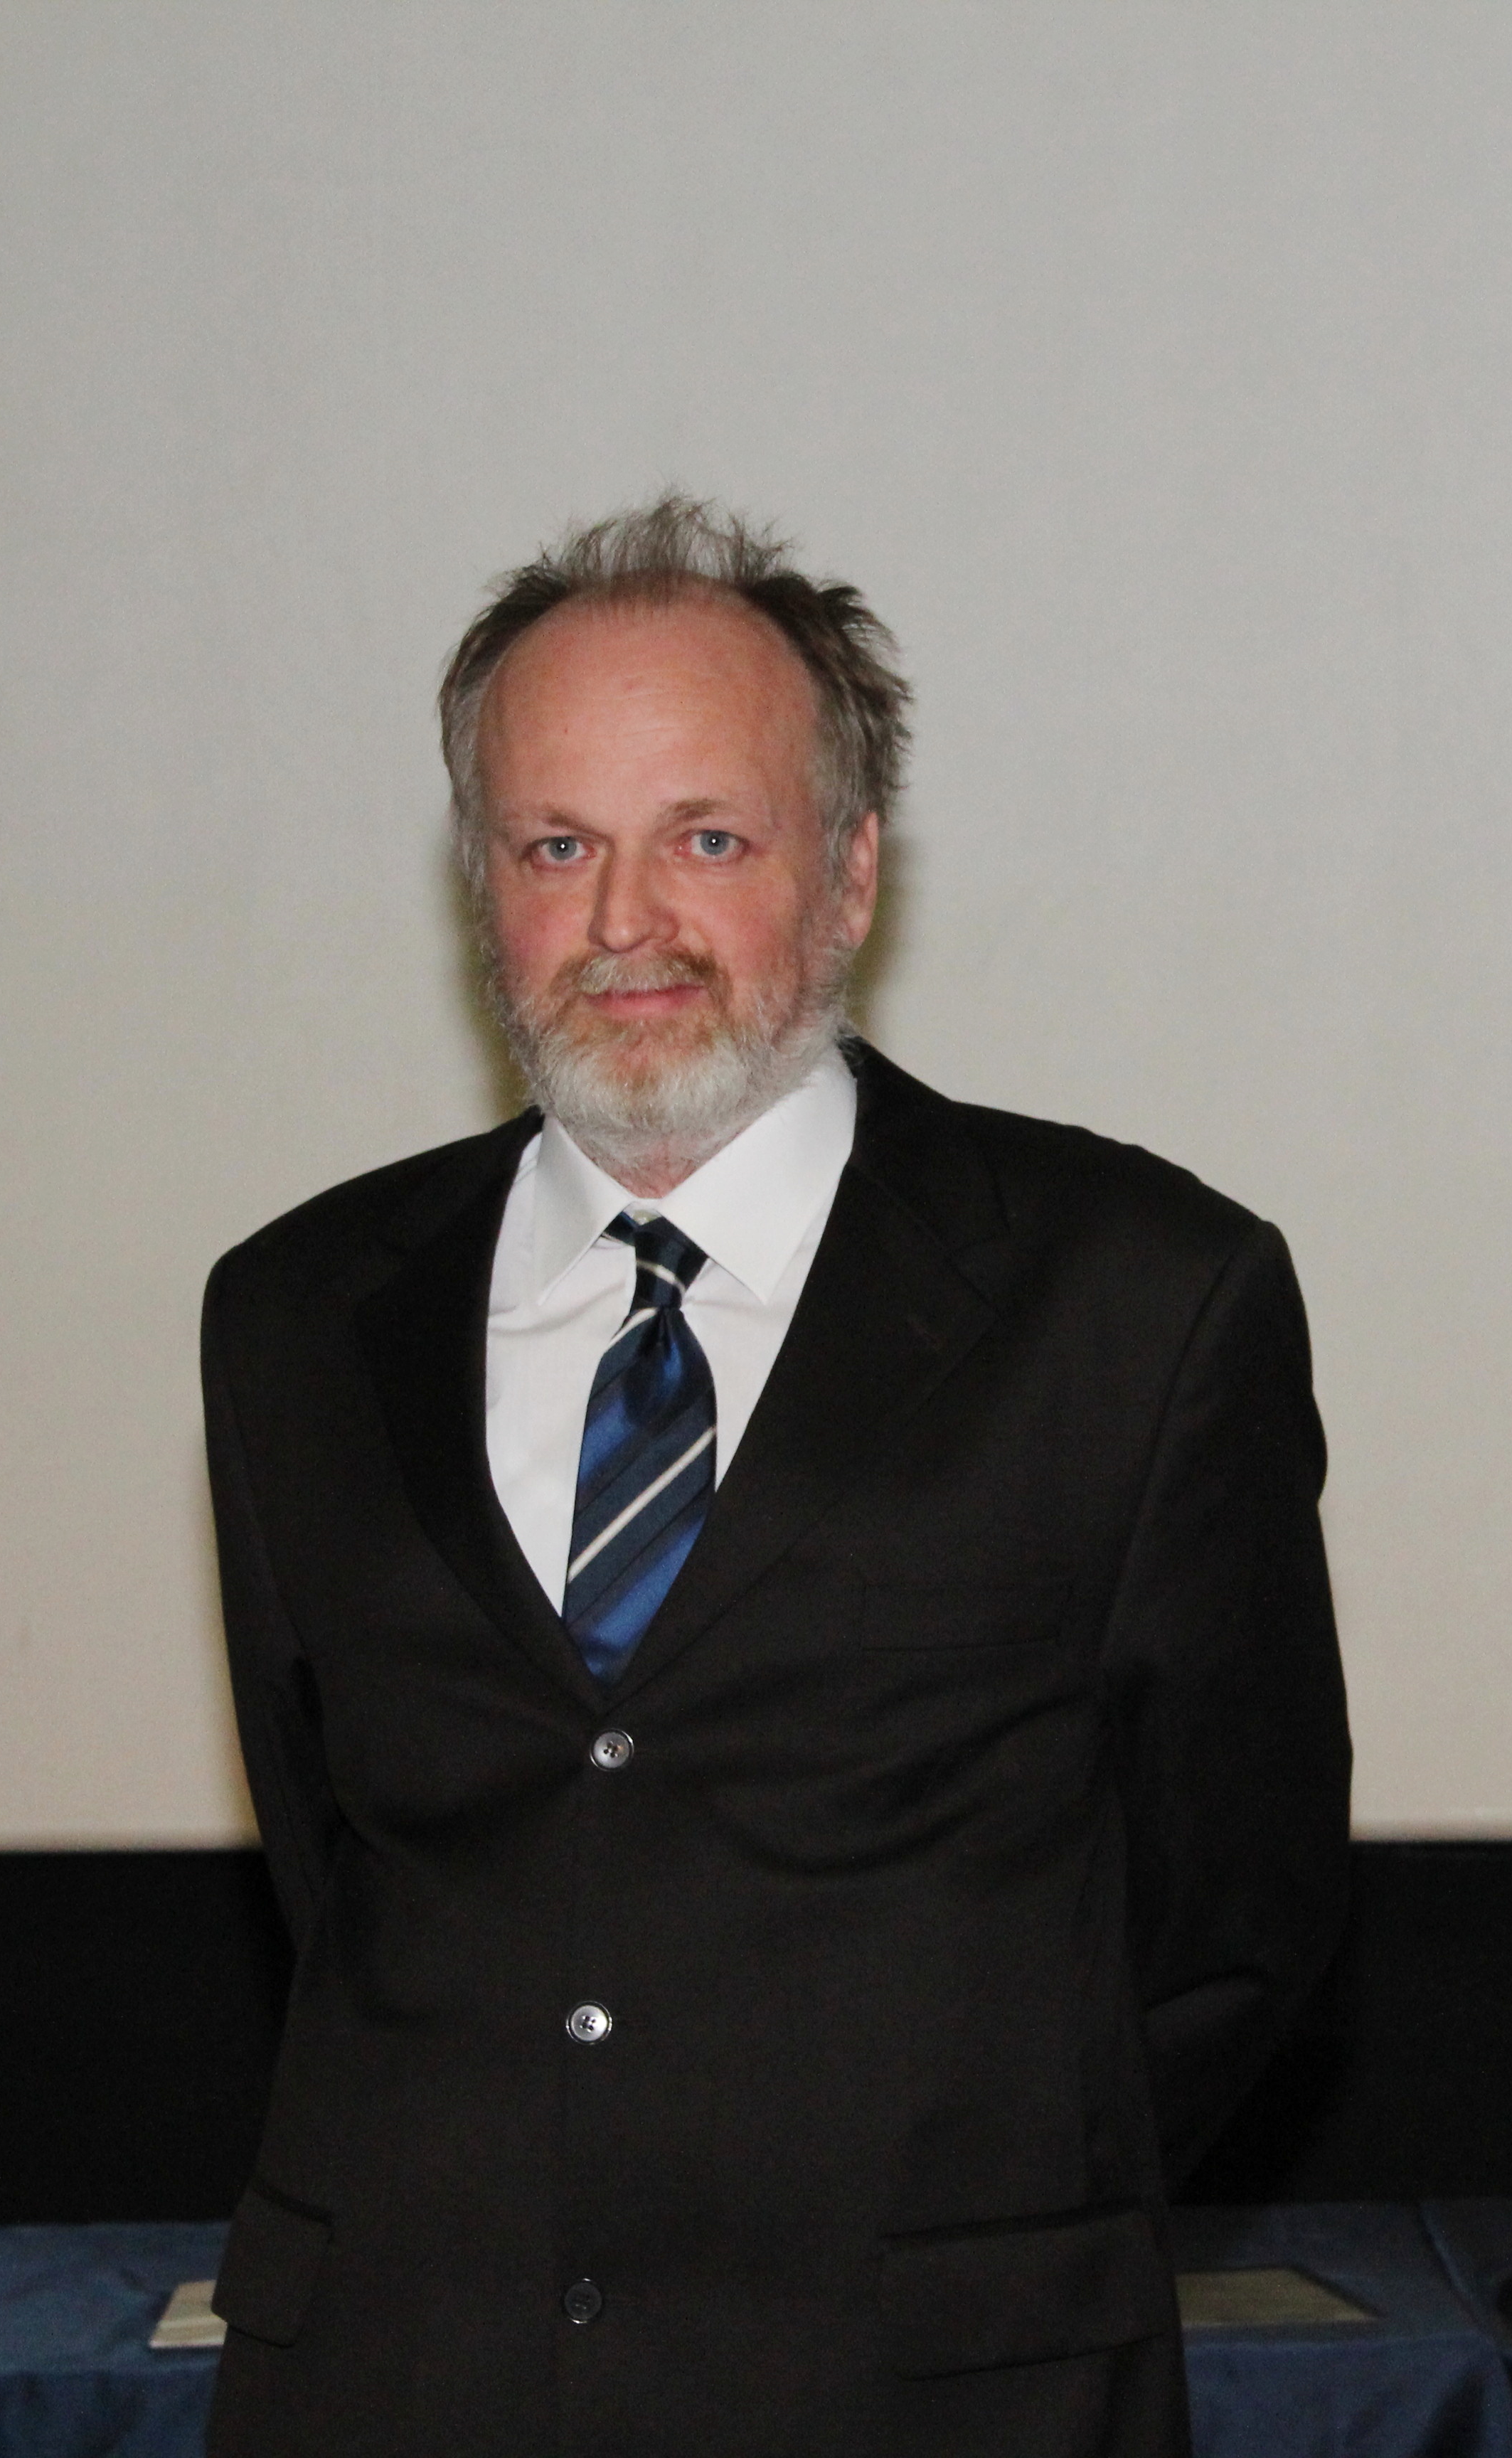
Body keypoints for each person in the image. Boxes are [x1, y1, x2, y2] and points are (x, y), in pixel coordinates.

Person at [197, 495, 1349, 2458]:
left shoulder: (1141, 1298)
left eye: (708, 840)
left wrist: (953, 2211)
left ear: (852, 875)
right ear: (481, 884)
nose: (623, 923)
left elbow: (1232, 1921)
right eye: (556, 845)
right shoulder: (298, 1317)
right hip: (401, 2385)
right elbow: (339, 1870)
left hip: (933, 2404)